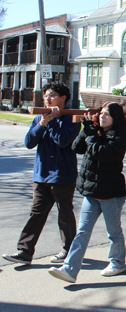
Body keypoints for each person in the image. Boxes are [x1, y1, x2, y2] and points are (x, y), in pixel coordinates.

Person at [48, 102, 126, 283]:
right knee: (82, 232)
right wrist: (86, 130)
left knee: (113, 232)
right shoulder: (95, 131)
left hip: (111, 193)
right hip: (91, 192)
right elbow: (76, 148)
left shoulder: (122, 136)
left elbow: (100, 153)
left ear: (116, 118)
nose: (102, 117)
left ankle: (117, 262)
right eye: (101, 113)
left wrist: (92, 134)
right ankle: (69, 270)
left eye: (107, 114)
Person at [3, 82, 80, 265]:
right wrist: (43, 123)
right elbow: (29, 142)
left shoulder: (73, 118)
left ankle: (69, 250)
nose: (47, 98)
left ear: (63, 98)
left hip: (63, 175)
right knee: (36, 213)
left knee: (65, 214)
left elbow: (62, 141)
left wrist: (51, 121)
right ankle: (24, 251)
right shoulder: (40, 117)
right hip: (42, 174)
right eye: (46, 95)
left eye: (52, 95)